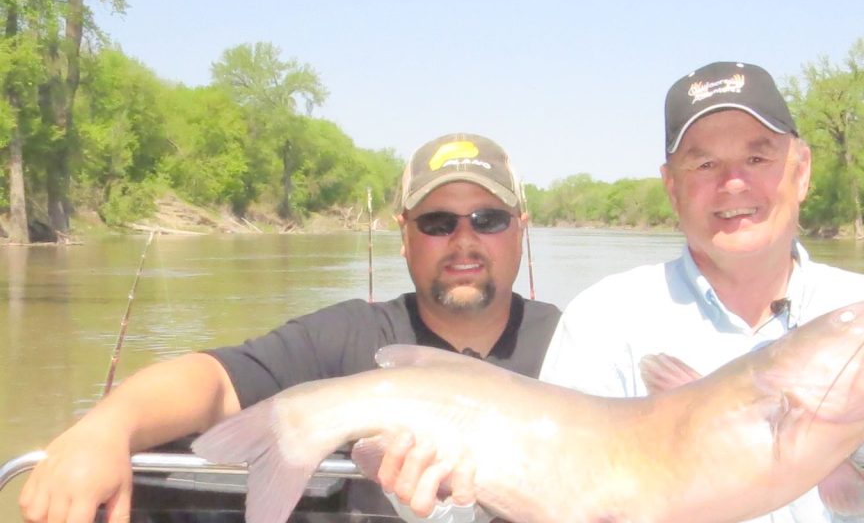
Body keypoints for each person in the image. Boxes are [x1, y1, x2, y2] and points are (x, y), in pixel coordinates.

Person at [379, 62, 864, 522]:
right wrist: (431, 503)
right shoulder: (607, 317)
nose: (734, 183)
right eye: (704, 163)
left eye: (757, 156)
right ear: (671, 186)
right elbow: (545, 494)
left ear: (800, 170)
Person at [18, 132, 561, 523]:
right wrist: (107, 428)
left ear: (521, 230)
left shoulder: (580, 345)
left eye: (487, 220)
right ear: (404, 236)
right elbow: (212, 380)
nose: (463, 241)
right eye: (437, 223)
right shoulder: (349, 335)